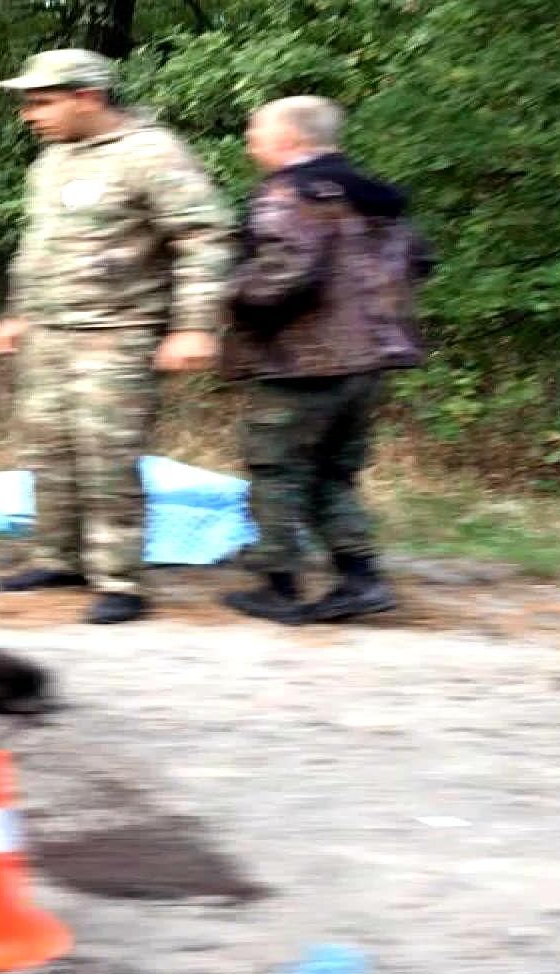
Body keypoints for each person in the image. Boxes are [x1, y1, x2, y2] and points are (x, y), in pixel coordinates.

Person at [0, 49, 234, 624]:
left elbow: (203, 239)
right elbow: (40, 247)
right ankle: (57, 557)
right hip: (49, 334)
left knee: (107, 457)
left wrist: (194, 326)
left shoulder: (152, 153)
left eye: (42, 101)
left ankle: (119, 579)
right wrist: (19, 312)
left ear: (88, 98)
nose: (29, 114)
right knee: (47, 450)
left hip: (117, 334)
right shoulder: (51, 162)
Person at [219, 95, 433, 625]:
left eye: (257, 130)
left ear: (292, 139)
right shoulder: (375, 196)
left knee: (276, 470)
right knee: (333, 474)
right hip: (370, 360)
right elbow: (422, 261)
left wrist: (229, 292)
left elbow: (286, 273)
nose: (250, 140)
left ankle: (278, 585)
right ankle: (360, 579)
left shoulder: (290, 192)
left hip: (301, 360)